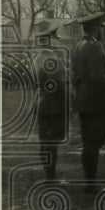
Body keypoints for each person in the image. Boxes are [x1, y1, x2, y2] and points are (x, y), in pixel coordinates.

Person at [71, 12, 105, 192]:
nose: (102, 31)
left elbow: (76, 77)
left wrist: (81, 94)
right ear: (95, 28)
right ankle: (91, 184)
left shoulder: (78, 46)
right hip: (96, 103)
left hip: (85, 100)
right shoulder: (92, 47)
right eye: (100, 28)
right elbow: (98, 78)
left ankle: (90, 182)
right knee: (93, 143)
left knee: (89, 142)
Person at [34, 23, 69, 181]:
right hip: (53, 105)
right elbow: (58, 86)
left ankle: (48, 174)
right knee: (51, 143)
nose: (57, 43)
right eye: (55, 40)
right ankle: (51, 177)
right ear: (49, 41)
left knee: (44, 140)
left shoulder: (36, 58)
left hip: (40, 103)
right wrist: (66, 107)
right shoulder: (51, 59)